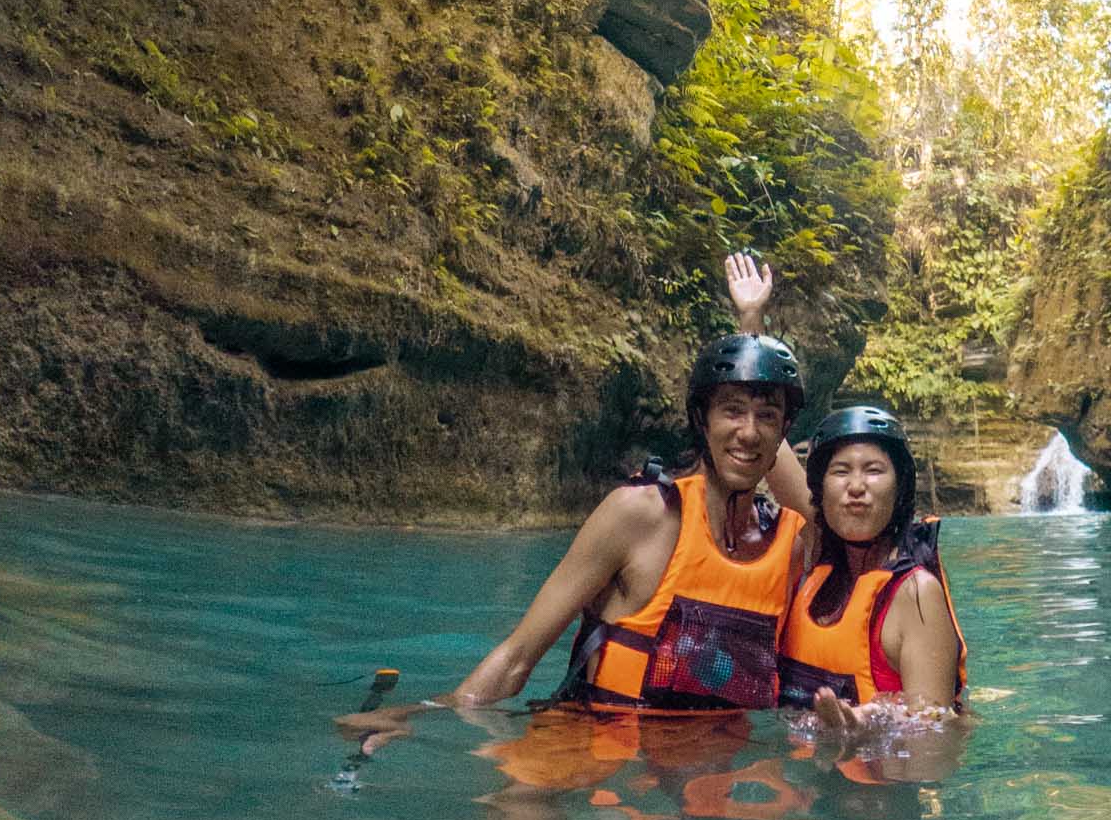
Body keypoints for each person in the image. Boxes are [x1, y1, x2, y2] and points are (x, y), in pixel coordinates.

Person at [336, 328, 809, 746]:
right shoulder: (637, 515)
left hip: (712, 761)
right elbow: (519, 656)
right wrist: (420, 713)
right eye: (731, 411)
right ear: (702, 420)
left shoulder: (790, 546)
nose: (748, 432)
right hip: (590, 735)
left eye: (767, 417)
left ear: (784, 432)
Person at [725, 254, 966, 735]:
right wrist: (751, 322)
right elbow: (769, 451)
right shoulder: (815, 558)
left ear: (899, 490)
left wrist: (870, 726)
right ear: (821, 491)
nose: (856, 486)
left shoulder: (915, 594)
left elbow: (934, 745)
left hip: (878, 797)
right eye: (841, 472)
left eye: (874, 471)